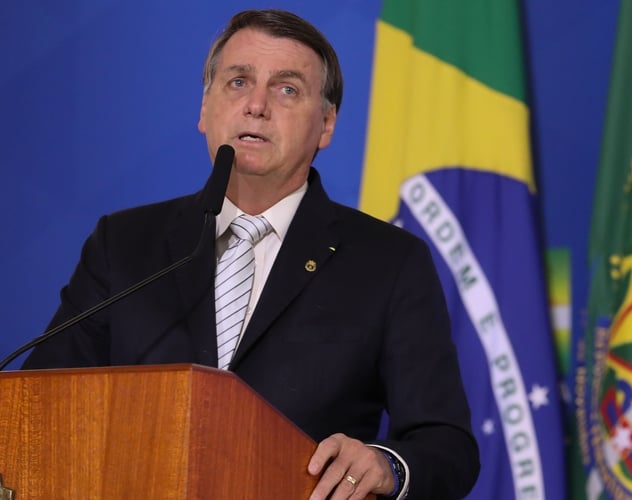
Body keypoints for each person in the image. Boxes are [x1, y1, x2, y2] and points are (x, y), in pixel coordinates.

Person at [21, 9, 479, 500]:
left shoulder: (389, 262)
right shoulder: (125, 243)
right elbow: (39, 409)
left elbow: (446, 445)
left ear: (326, 125)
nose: (256, 105)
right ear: (204, 109)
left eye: (287, 89)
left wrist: (386, 464)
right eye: (238, 82)